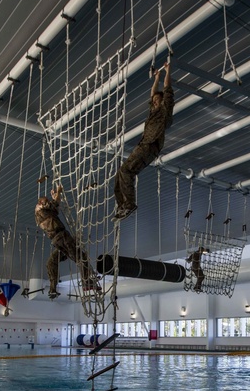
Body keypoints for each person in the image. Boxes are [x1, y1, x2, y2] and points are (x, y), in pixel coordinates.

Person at [113, 61, 174, 220]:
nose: (154, 102)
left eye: (157, 100)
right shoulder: (153, 111)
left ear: (162, 101)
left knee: (126, 171)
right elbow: (153, 93)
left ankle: (129, 204)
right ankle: (122, 206)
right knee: (121, 174)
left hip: (150, 146)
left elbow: (167, 89)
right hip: (144, 145)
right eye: (153, 101)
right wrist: (156, 77)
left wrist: (167, 71)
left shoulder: (164, 110)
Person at [35, 185, 99, 299]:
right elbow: (54, 204)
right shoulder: (41, 212)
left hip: (58, 241)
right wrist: (58, 192)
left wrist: (56, 197)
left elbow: (54, 208)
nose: (48, 203)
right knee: (80, 257)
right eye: (46, 202)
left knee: (53, 261)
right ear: (40, 204)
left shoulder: (43, 213)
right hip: (62, 237)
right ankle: (87, 283)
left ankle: (53, 289)